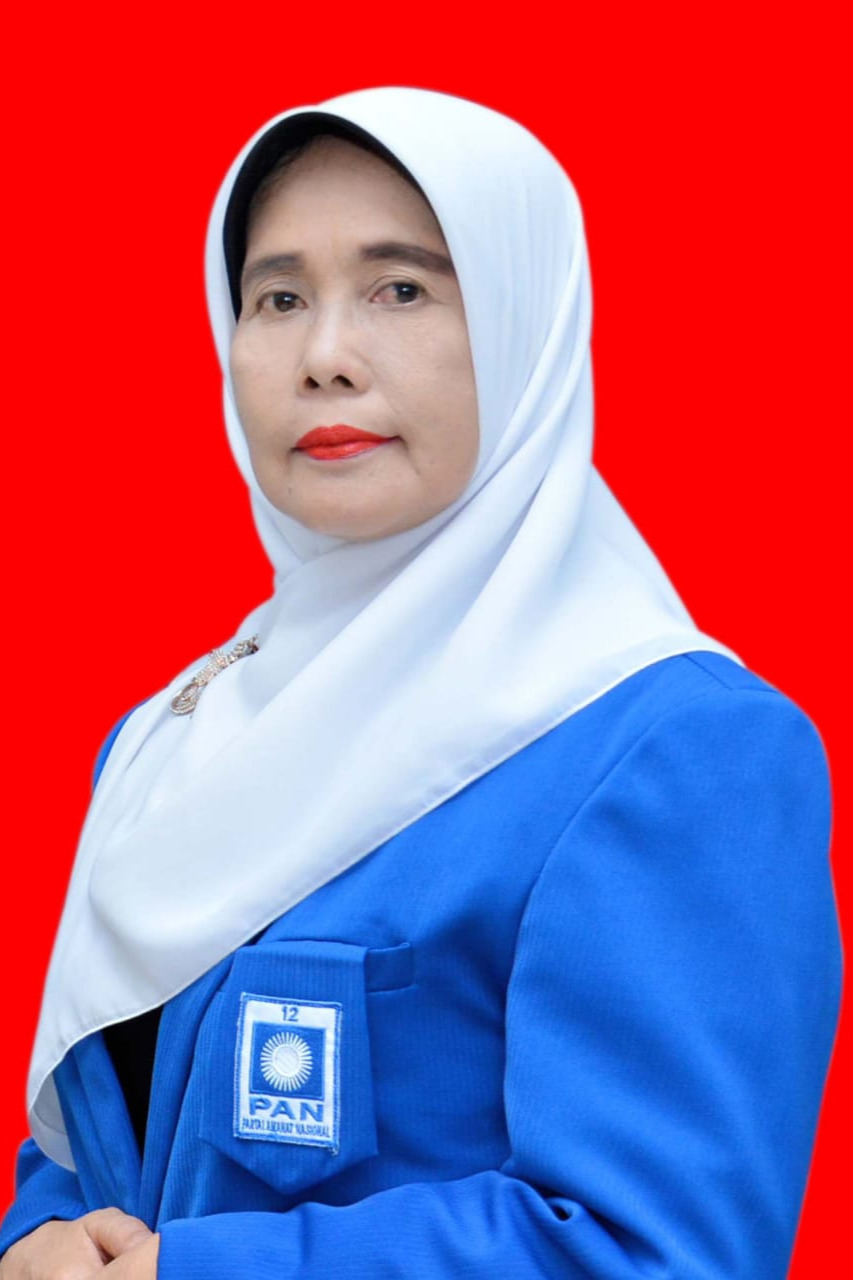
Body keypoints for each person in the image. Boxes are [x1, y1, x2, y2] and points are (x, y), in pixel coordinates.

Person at [0, 86, 841, 1280]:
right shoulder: (171, 738)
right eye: (277, 297)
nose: (324, 358)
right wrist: (37, 1236)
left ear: (520, 320)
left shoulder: (670, 746)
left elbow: (657, 1249)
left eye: (400, 289)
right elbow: (104, 1134)